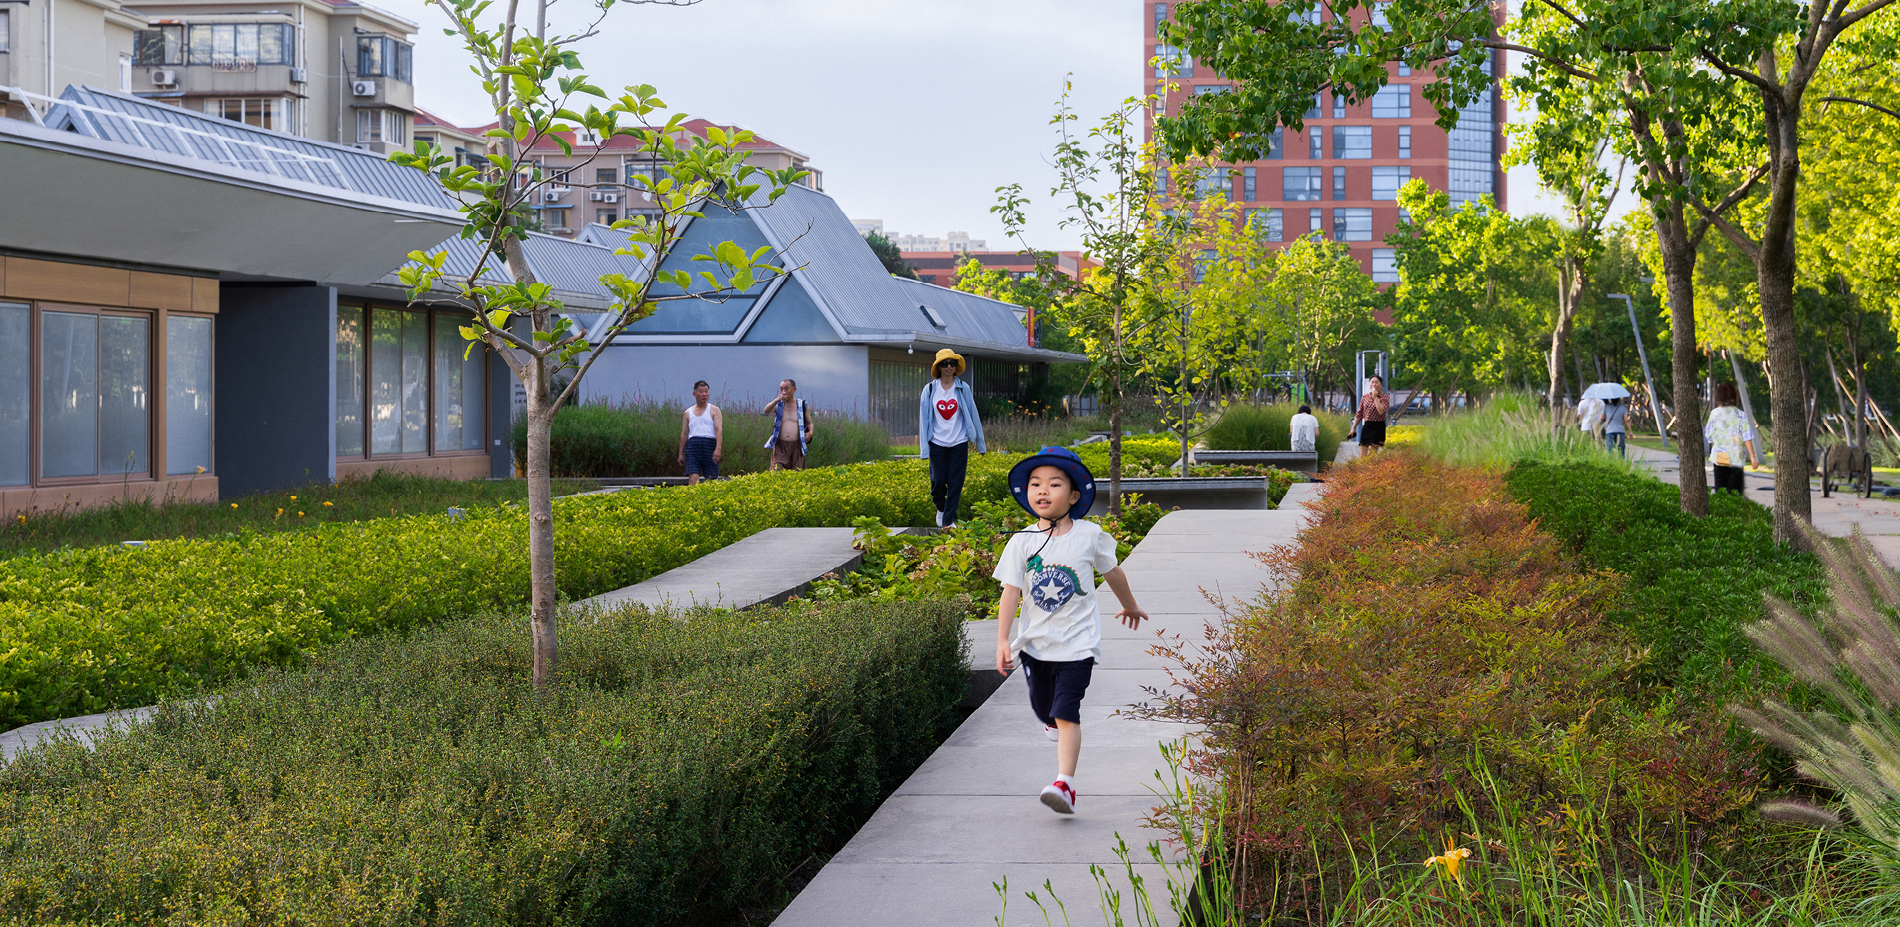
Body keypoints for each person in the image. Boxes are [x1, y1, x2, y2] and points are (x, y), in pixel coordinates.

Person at [993, 447, 1149, 815]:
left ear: (1074, 495)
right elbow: (1010, 593)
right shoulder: (1022, 541)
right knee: (1044, 707)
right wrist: (1002, 640)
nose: (1042, 491)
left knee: (1066, 711)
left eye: (1054, 484)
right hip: (1035, 646)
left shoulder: (1089, 535)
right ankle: (1051, 723)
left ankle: (1065, 783)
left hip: (1078, 645)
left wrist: (1128, 604)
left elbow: (1112, 572)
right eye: (1035, 484)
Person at [918, 349, 987, 527]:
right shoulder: (930, 389)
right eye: (945, 363)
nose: (949, 366)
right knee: (938, 483)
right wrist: (924, 449)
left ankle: (948, 522)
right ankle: (941, 509)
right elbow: (923, 419)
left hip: (959, 442)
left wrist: (981, 445)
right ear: (938, 367)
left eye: (952, 363)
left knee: (955, 484)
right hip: (937, 443)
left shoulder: (963, 388)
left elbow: (973, 415)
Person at [1705, 382, 1759, 494]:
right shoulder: (1740, 414)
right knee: (1735, 491)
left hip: (1719, 459)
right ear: (1735, 397)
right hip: (1736, 459)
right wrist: (1753, 457)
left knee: (1720, 491)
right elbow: (1746, 435)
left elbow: (1708, 435)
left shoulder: (1714, 414)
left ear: (1718, 397)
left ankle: (1722, 511)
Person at [676, 380, 723, 485]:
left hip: (710, 444)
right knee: (693, 478)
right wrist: (680, 453)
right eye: (701, 392)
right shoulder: (688, 413)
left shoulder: (714, 410)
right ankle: (692, 499)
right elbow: (684, 434)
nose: (704, 394)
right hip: (693, 446)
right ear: (695, 394)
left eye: (706, 392)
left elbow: (719, 430)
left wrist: (718, 449)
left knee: (710, 480)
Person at [761, 379, 813, 471]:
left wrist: (810, 433)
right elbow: (766, 410)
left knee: (796, 478)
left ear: (794, 389)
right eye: (781, 389)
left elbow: (809, 423)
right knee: (775, 474)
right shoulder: (778, 404)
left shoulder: (802, 405)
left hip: (797, 447)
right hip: (780, 446)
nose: (783, 391)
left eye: (786, 388)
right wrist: (777, 399)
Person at [1350, 375, 1390, 452]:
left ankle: (1372, 464)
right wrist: (1353, 428)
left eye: (1376, 382)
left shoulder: (1385, 398)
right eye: (1372, 382)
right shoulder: (1365, 397)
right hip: (1367, 425)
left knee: (1372, 453)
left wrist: (1375, 397)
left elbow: (1381, 411)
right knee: (1363, 453)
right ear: (1369, 384)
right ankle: (1362, 464)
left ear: (1381, 385)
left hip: (1378, 426)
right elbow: (1359, 413)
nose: (1374, 384)